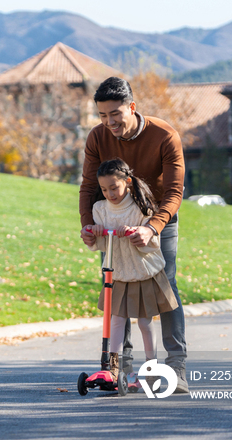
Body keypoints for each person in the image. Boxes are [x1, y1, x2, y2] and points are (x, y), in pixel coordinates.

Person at [79, 76, 188, 393]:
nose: (109, 122)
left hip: (157, 220)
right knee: (116, 285)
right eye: (102, 115)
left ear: (132, 107)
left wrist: (151, 227)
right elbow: (89, 186)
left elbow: (174, 191)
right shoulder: (97, 137)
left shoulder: (164, 135)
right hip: (113, 220)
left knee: (165, 285)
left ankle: (175, 368)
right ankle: (116, 370)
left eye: (115, 114)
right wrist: (88, 224)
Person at [86, 159, 178, 385]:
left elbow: (151, 240)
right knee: (116, 320)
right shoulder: (99, 209)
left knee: (145, 322)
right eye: (105, 189)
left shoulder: (141, 207)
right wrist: (94, 233)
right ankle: (113, 370)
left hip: (141, 272)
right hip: (118, 273)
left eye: (114, 188)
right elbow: (100, 244)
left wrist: (137, 233)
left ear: (127, 182)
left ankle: (152, 369)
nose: (109, 194)